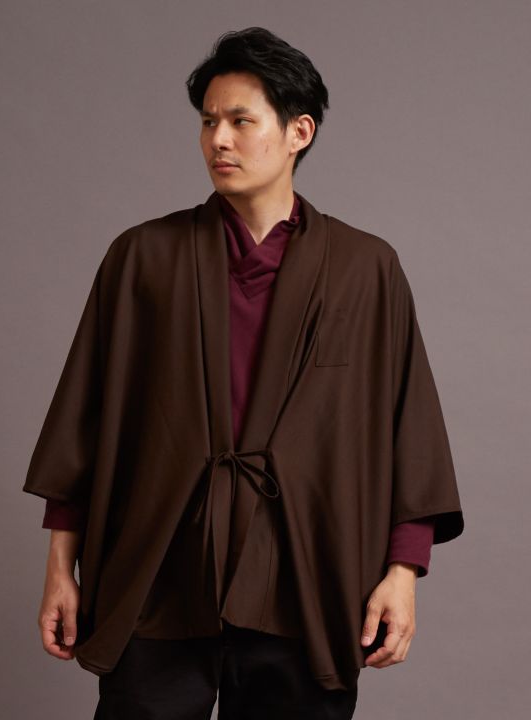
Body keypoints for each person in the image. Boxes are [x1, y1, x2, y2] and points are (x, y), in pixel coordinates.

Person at [23, 27, 464, 720]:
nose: (218, 141)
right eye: (208, 123)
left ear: (298, 132)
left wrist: (403, 574)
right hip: (160, 574)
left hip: (304, 578)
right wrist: (60, 570)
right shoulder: (143, 259)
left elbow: (408, 429)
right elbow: (87, 420)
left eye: (240, 121)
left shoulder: (365, 270)